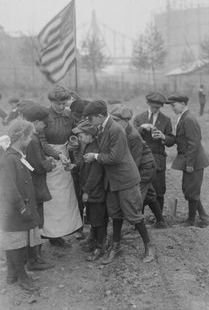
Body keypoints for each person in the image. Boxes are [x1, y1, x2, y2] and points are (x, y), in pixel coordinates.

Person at [83, 100, 154, 264]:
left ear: (100, 116)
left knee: (134, 215)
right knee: (115, 214)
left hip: (125, 179)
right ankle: (116, 247)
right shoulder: (103, 128)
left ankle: (149, 246)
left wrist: (95, 156)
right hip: (113, 180)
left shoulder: (116, 129)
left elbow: (115, 157)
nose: (88, 122)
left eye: (90, 118)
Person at [110, 104, 167, 229]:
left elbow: (134, 162)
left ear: (125, 121)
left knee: (134, 196)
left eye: (116, 121)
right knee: (151, 195)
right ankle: (161, 221)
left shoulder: (133, 137)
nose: (113, 123)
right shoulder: (122, 131)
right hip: (141, 166)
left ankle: (132, 225)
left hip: (145, 168)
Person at [0, 119, 41, 291]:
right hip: (15, 209)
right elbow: (10, 188)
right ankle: (22, 277)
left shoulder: (16, 156)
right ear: (21, 136)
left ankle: (12, 275)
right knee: (16, 242)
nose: (31, 138)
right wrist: (23, 208)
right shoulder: (9, 159)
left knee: (15, 240)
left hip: (18, 207)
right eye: (29, 135)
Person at [40, 85, 82, 247]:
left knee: (64, 197)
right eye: (58, 104)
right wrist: (57, 155)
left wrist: (73, 142)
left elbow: (74, 132)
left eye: (64, 103)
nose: (61, 107)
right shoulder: (44, 116)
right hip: (49, 160)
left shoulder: (68, 115)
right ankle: (49, 234)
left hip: (65, 159)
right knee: (52, 198)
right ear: (50, 102)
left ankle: (61, 233)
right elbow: (41, 142)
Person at [20, 102, 56, 270]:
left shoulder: (26, 136)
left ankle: (33, 256)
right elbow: (38, 166)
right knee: (36, 222)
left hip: (29, 185)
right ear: (35, 122)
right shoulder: (33, 140)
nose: (45, 126)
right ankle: (34, 259)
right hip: (35, 186)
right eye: (43, 123)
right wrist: (50, 163)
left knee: (34, 222)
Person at [167, 94, 209, 227]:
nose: (173, 109)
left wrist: (190, 164)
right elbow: (182, 139)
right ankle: (204, 217)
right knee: (189, 189)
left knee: (191, 190)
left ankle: (191, 221)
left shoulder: (188, 119)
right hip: (190, 160)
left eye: (174, 106)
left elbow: (194, 143)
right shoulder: (183, 117)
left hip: (194, 162)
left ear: (182, 104)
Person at [133, 92, 175, 213]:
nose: (155, 109)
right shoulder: (139, 118)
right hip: (141, 159)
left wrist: (163, 137)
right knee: (141, 189)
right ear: (147, 104)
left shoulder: (166, 120)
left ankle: (159, 219)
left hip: (158, 159)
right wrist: (141, 128)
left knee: (159, 190)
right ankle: (139, 219)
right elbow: (131, 136)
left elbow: (171, 140)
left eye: (157, 108)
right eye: (153, 107)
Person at [73, 121, 107, 261]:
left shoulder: (96, 149)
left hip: (96, 192)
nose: (79, 138)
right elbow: (83, 163)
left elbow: (95, 175)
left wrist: (86, 191)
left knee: (98, 220)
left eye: (81, 135)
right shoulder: (88, 146)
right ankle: (94, 241)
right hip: (92, 191)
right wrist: (74, 166)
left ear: (89, 135)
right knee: (93, 218)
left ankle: (100, 247)